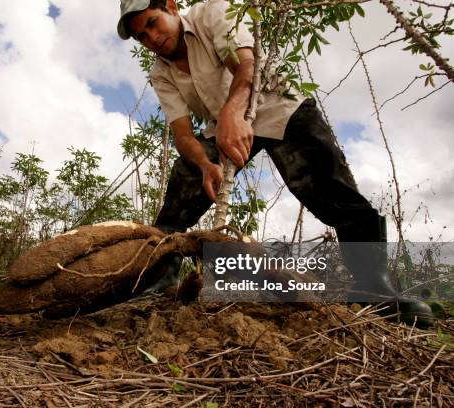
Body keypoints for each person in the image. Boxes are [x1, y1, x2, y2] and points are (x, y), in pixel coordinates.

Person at [117, 0, 433, 327]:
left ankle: (374, 288)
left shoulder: (212, 12)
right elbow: (182, 135)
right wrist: (203, 164)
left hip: (278, 106)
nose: (151, 37)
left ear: (170, 7)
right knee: (178, 196)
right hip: (222, 129)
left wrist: (232, 113)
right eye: (141, 36)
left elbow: (246, 66)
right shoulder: (161, 72)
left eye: (153, 23)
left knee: (332, 192)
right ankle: (158, 283)